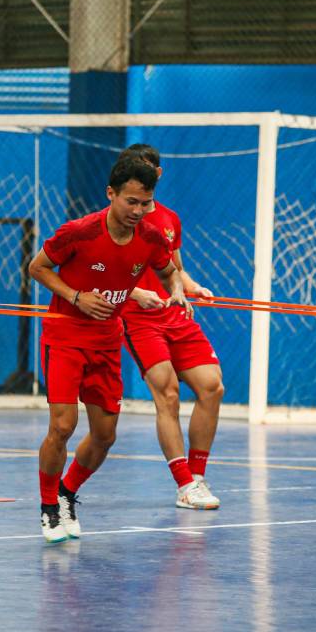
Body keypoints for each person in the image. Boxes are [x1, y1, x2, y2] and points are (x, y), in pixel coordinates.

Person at [29, 155, 188, 543]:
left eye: (145, 203)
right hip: (65, 336)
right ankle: (49, 508)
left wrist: (178, 291)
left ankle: (67, 492)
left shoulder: (150, 237)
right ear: (111, 194)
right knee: (63, 426)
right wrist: (75, 296)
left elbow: (168, 271)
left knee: (104, 435)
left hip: (106, 341)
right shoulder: (79, 232)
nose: (138, 210)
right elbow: (38, 267)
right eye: (130, 201)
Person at [118, 144, 225, 510]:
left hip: (175, 314)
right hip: (139, 318)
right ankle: (183, 485)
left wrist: (191, 287)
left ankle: (197, 477)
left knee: (212, 387)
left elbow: (174, 269)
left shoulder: (169, 219)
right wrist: (134, 295)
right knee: (168, 393)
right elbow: (99, 272)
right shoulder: (116, 220)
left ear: (157, 175)